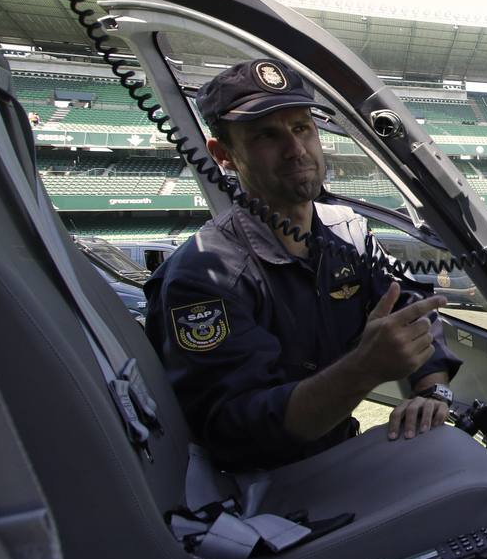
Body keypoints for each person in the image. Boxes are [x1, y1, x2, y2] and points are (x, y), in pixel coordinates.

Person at [145, 59, 459, 471]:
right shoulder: (204, 276)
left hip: (336, 453)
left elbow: (410, 311)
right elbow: (236, 432)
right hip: (263, 488)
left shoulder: (347, 233)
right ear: (223, 155)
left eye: (301, 128)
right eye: (267, 135)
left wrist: (430, 393)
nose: (296, 150)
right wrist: (362, 370)